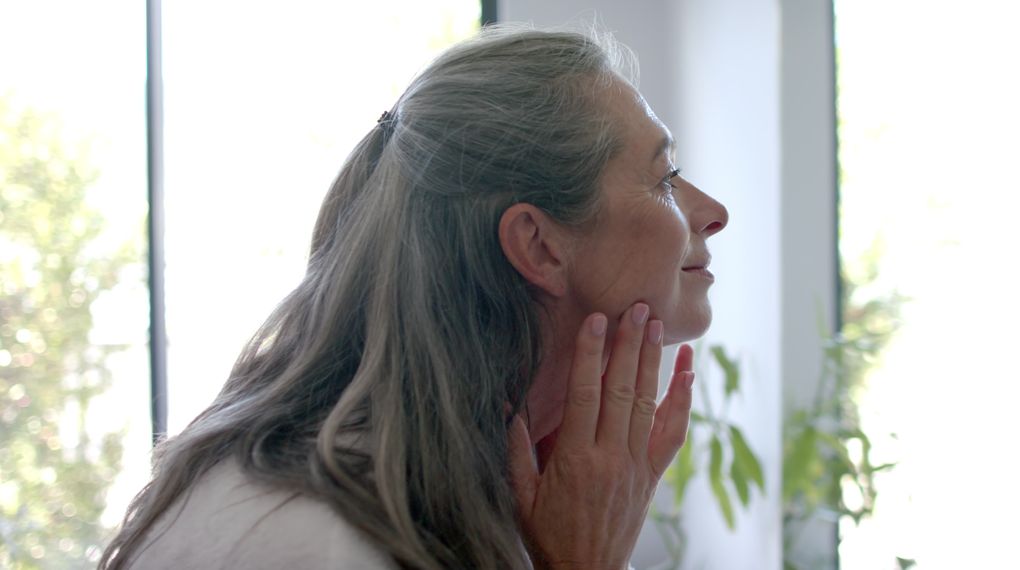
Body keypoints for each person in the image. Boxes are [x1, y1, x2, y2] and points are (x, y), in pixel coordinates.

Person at [101, 24, 728, 570]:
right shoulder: (307, 540)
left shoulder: (496, 489)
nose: (714, 213)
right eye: (664, 179)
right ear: (538, 246)